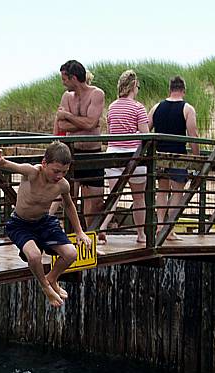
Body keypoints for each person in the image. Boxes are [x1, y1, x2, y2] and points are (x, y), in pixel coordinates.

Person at [0, 141, 92, 308]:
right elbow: (7, 165)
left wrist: (80, 231)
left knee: (71, 254)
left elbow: (69, 205)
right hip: (20, 224)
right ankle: (45, 286)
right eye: (56, 171)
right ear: (44, 164)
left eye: (64, 172)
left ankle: (52, 278)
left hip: (44, 223)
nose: (59, 175)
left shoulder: (62, 185)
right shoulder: (32, 173)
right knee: (35, 256)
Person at [53, 60, 106, 242]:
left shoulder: (96, 94)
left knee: (96, 201)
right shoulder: (67, 96)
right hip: (73, 152)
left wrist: (68, 116)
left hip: (93, 153)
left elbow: (90, 123)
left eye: (64, 78)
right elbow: (62, 125)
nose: (63, 82)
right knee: (69, 198)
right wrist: (84, 122)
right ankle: (74, 236)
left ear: (74, 77)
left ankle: (91, 235)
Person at [148, 76, 199, 240]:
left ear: (169, 89)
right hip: (178, 155)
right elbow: (193, 136)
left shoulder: (156, 107)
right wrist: (197, 158)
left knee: (162, 190)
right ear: (183, 90)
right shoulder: (187, 109)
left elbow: (146, 129)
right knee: (177, 191)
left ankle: (160, 225)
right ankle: (169, 229)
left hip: (160, 155)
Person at [104, 70, 149, 244]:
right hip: (134, 157)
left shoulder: (112, 106)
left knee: (113, 196)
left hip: (114, 154)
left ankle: (102, 229)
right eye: (137, 86)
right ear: (132, 87)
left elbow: (110, 132)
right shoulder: (138, 107)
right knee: (139, 198)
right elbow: (145, 134)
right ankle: (141, 234)